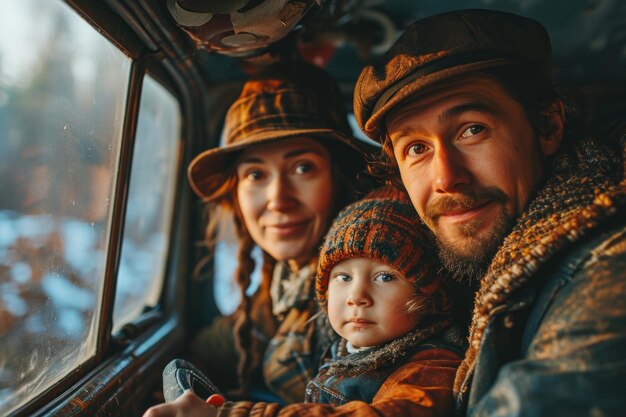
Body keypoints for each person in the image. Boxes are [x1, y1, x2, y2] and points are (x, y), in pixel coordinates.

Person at [352, 9, 626, 417]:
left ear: (548, 126)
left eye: (471, 129)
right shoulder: (446, 270)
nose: (447, 178)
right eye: (416, 148)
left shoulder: (606, 266)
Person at [143, 186, 465, 417]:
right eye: (343, 277)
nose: (357, 297)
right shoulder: (348, 347)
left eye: (384, 277)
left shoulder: (429, 366)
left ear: (427, 295)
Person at [184, 59, 372, 404]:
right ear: (236, 194)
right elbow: (221, 344)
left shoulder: (367, 285)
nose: (278, 200)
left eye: (303, 168)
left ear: (340, 178)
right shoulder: (286, 279)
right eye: (256, 174)